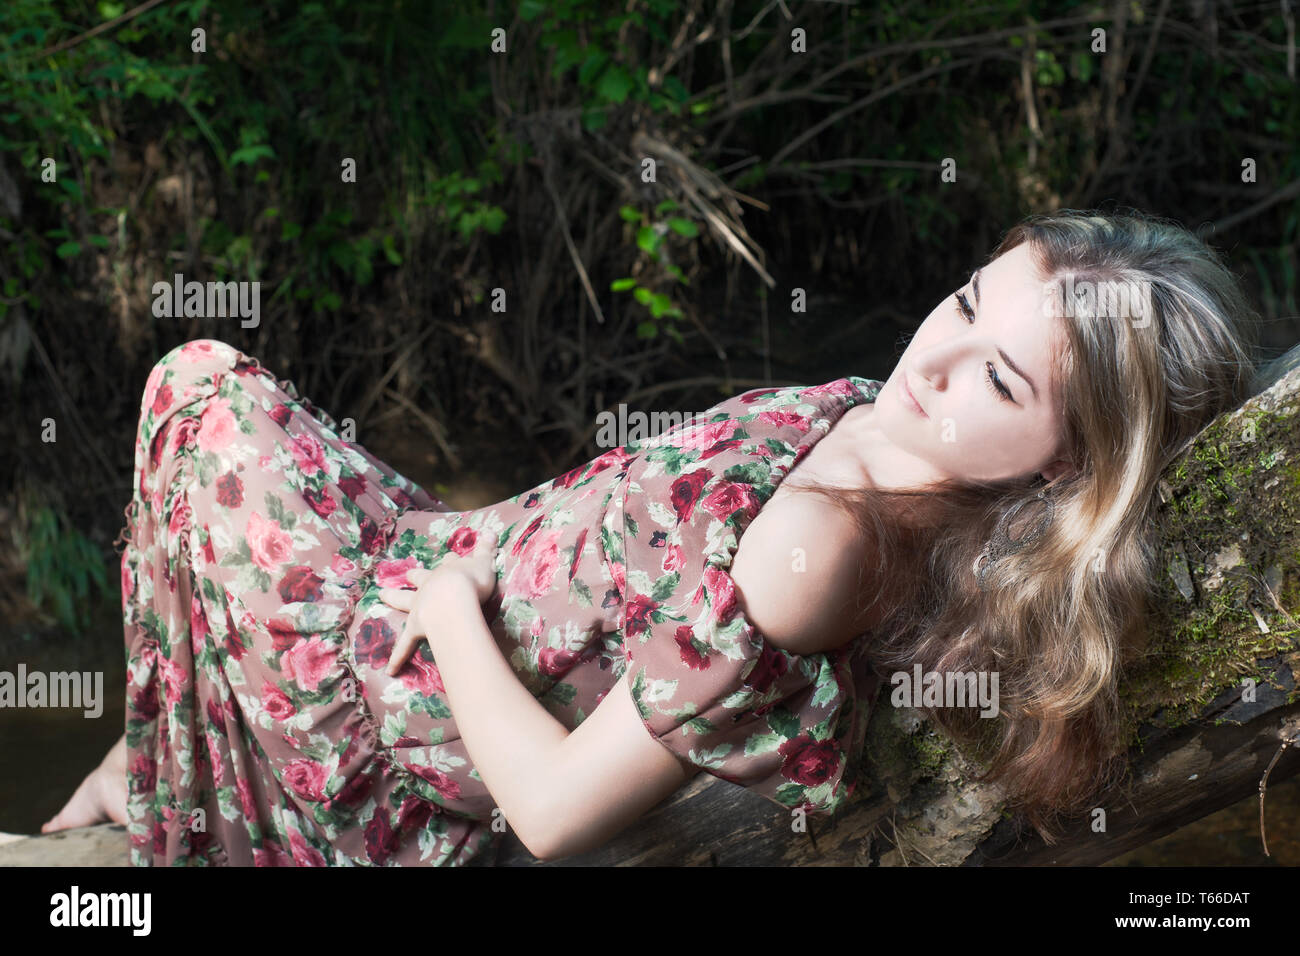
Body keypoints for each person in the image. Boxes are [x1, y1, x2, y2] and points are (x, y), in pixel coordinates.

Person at [42, 208, 1288, 863]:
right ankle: (150, 747)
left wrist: (444, 615)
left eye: (999, 381)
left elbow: (551, 813)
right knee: (213, 396)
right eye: (963, 301)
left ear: (1065, 462)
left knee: (198, 384)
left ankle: (157, 769)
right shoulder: (900, 434)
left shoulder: (815, 558)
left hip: (407, 670)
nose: (935, 356)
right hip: (453, 559)